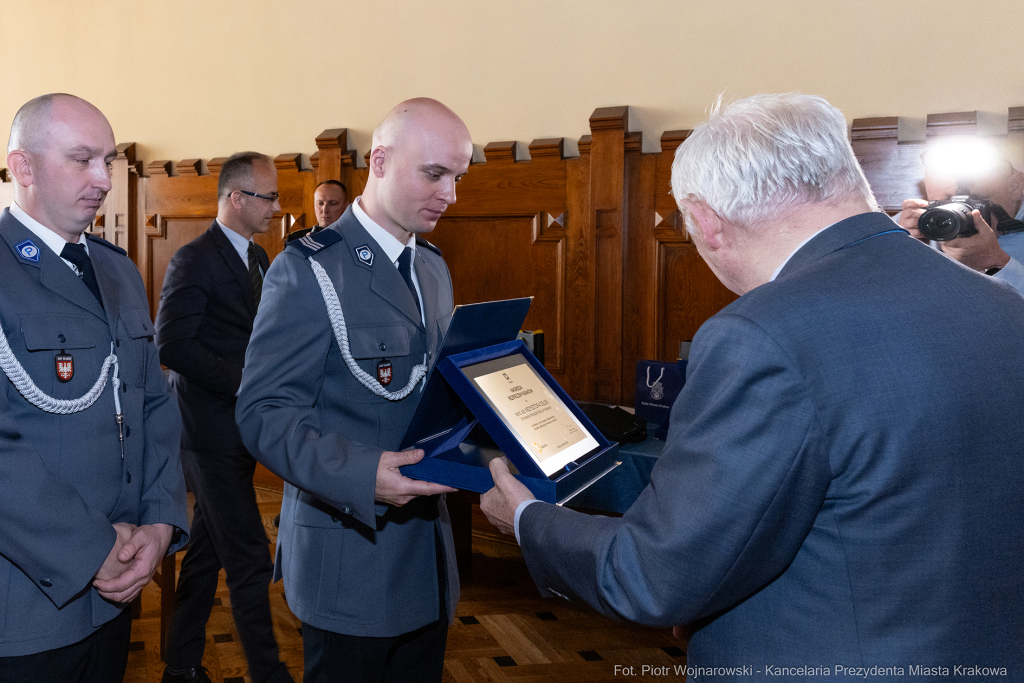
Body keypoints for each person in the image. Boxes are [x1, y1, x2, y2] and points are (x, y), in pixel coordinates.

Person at [482, 93, 1024, 674]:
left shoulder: (760, 333)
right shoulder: (999, 302)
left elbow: (653, 575)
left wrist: (526, 519)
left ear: (708, 222)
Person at [236, 98, 473, 683]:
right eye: (435, 174)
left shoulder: (432, 267)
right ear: (382, 160)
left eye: (458, 178)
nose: (449, 194)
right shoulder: (308, 269)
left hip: (428, 558)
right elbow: (263, 413)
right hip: (350, 556)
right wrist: (363, 475)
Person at [0, 93, 188, 682]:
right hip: (27, 603)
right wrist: (90, 550)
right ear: (23, 167)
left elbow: (152, 405)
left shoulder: (117, 269)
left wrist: (160, 524)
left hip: (119, 585)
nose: (104, 178)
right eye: (82, 159)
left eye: (106, 160)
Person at [155, 152, 293, 683]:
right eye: (269, 197)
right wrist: (248, 384)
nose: (277, 208)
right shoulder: (195, 259)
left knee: (206, 553)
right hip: (208, 434)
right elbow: (173, 345)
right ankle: (269, 673)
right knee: (250, 557)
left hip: (242, 430)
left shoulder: (258, 257)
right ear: (236, 199)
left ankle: (181, 663)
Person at [897, 150, 1024, 293]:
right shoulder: (911, 223)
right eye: (943, 202)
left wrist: (997, 263)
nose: (956, 215)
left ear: (1016, 186)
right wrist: (899, 248)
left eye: (974, 201)